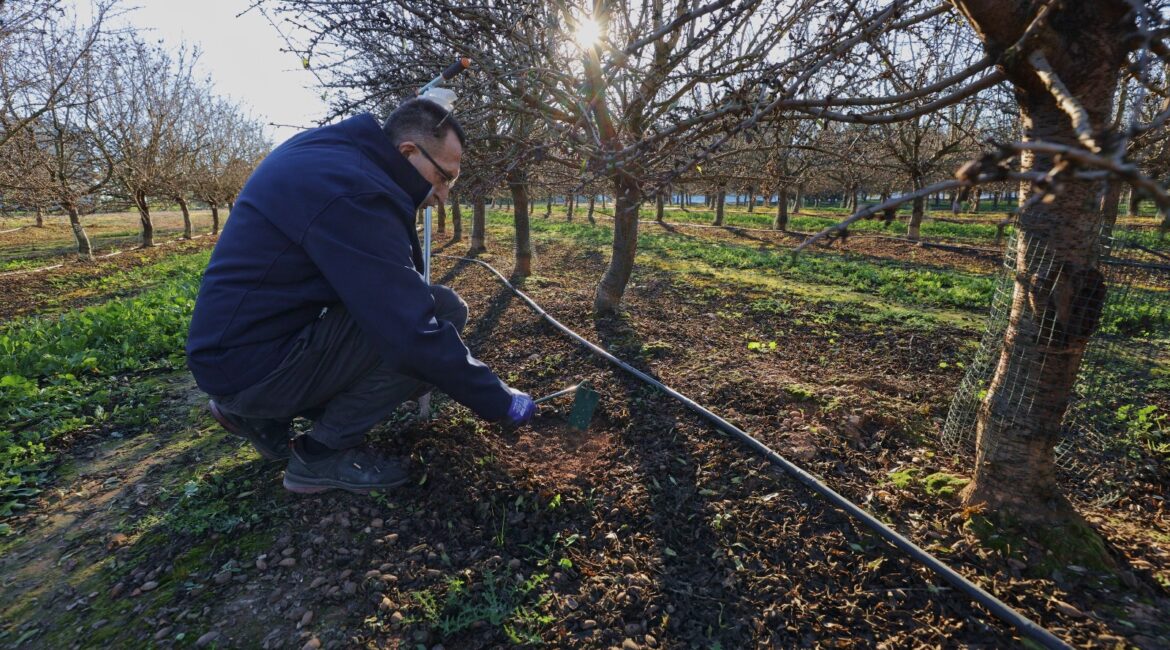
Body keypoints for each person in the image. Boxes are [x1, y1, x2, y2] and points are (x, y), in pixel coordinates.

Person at [186, 98, 535, 494]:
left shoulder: (334, 155)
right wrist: (500, 400)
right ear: (408, 151)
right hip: (251, 368)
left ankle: (260, 418)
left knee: (422, 312)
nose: (443, 196)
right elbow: (411, 334)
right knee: (439, 316)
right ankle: (319, 454)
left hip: (236, 350)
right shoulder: (356, 194)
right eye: (444, 179)